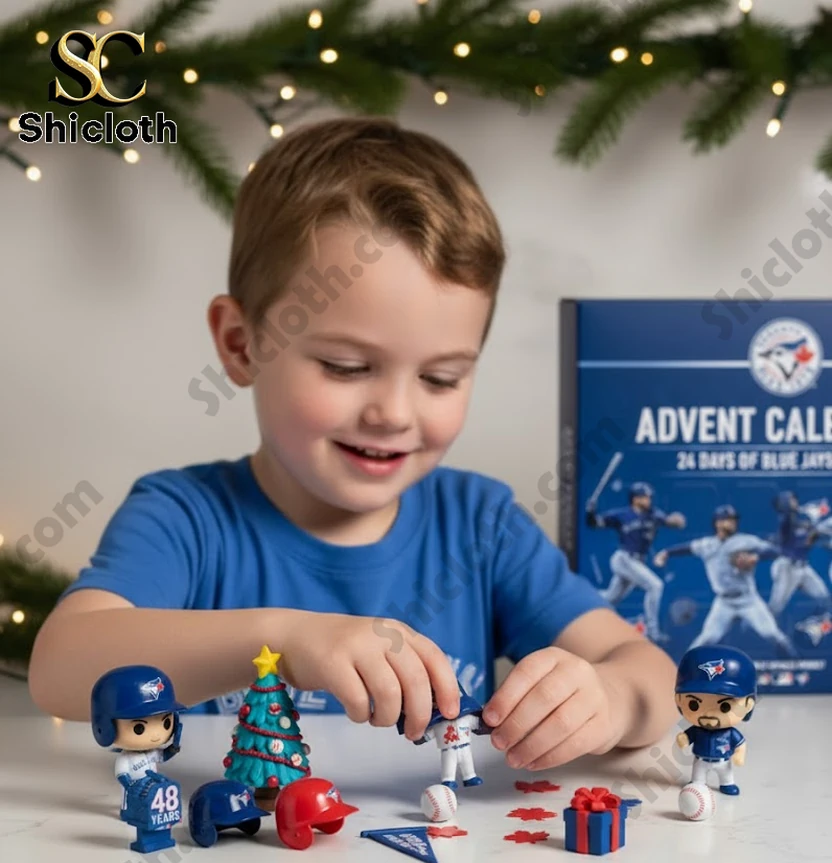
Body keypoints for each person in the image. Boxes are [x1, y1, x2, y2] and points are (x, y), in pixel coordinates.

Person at [29, 117, 677, 772]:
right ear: (241, 344)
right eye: (345, 367)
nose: (393, 414)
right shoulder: (183, 518)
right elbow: (60, 667)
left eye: (440, 378)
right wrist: (282, 640)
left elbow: (648, 672)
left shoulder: (482, 527)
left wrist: (610, 698)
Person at [655, 504, 795, 656]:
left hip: (748, 600)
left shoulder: (745, 541)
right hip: (723, 602)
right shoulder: (707, 544)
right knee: (707, 638)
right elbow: (687, 548)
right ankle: (684, 666)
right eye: (728, 520)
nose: (733, 523)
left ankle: (794, 659)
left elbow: (775, 551)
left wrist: (755, 557)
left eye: (734, 520)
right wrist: (666, 553)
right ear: (718, 523)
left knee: (770, 633)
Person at [585, 480, 686, 643]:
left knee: (610, 599)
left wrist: (676, 520)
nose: (648, 500)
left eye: (648, 497)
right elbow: (594, 523)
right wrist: (590, 511)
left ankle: (583, 598)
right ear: (635, 498)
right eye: (645, 497)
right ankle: (653, 632)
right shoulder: (622, 515)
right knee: (655, 585)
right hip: (624, 559)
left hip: (637, 562)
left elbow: (673, 521)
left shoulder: (653, 514)